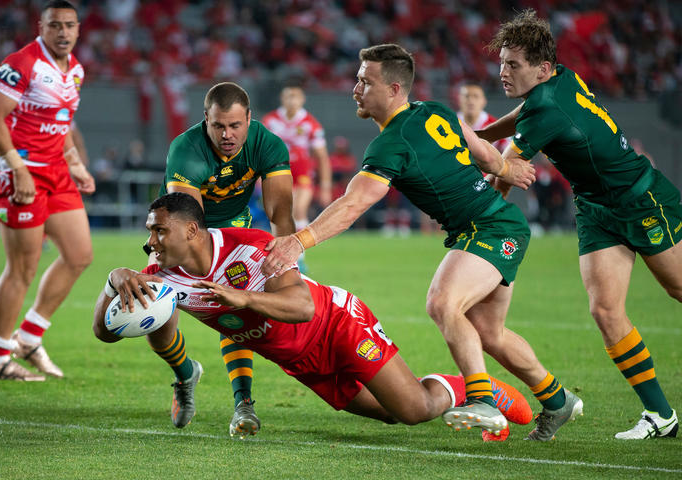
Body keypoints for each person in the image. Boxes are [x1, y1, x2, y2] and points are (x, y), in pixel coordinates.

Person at [262, 43, 583, 441]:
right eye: (358, 80)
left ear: (395, 89)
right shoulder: (435, 110)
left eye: (366, 82)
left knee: (442, 303)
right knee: (489, 333)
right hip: (493, 226)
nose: (356, 90)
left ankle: (481, 398)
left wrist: (299, 241)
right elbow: (481, 149)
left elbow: (354, 203)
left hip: (491, 229)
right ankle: (557, 400)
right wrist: (506, 166)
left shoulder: (390, 143)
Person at [92, 192, 533, 437]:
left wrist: (243, 298)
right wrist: (113, 280)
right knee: (387, 413)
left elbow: (302, 306)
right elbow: (104, 333)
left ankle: (474, 387)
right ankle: (458, 391)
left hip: (337, 323)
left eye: (158, 229)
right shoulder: (160, 280)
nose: (150, 240)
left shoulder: (249, 244)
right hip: (298, 361)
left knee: (415, 409)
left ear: (191, 230)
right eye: (150, 230)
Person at [480, 9, 680, 439]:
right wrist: (482, 136)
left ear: (542, 68)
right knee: (606, 310)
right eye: (501, 62)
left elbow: (504, 173)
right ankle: (661, 417)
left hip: (641, 198)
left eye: (512, 64)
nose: (502, 71)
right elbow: (523, 115)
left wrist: (479, 216)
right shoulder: (558, 81)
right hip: (595, 207)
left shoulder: (546, 108)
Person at [158, 81, 296, 437]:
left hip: (235, 230)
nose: (227, 134)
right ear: (206, 119)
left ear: (249, 119)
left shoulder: (268, 144)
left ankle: (243, 403)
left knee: (236, 309)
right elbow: (189, 224)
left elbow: (281, 214)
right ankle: (185, 374)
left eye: (235, 125)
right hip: (179, 233)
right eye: (218, 125)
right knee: (157, 312)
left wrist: (288, 256)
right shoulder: (186, 150)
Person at [0, 0, 94, 382]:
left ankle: (27, 339)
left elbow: (63, 120)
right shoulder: (21, 64)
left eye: (69, 26)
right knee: (23, 268)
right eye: (55, 25)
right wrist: (18, 168)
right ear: (40, 27)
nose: (63, 32)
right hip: (19, 173)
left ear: (78, 29)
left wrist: (75, 163)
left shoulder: (74, 69)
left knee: (79, 255)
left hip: (56, 172)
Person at [262, 84, 333, 232]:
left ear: (302, 100)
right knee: (282, 213)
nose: (292, 101)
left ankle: (299, 252)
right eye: (289, 96)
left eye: (295, 97)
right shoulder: (270, 121)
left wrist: (326, 186)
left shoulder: (310, 124)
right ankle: (285, 246)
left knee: (299, 210)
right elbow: (260, 151)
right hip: (278, 173)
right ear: (282, 99)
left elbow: (322, 157)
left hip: (302, 173)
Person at [456, 83, 510, 154]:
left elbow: (509, 152)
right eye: (466, 96)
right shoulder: (450, 124)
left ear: (483, 101)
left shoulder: (496, 126)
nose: (471, 101)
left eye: (476, 96)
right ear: (459, 100)